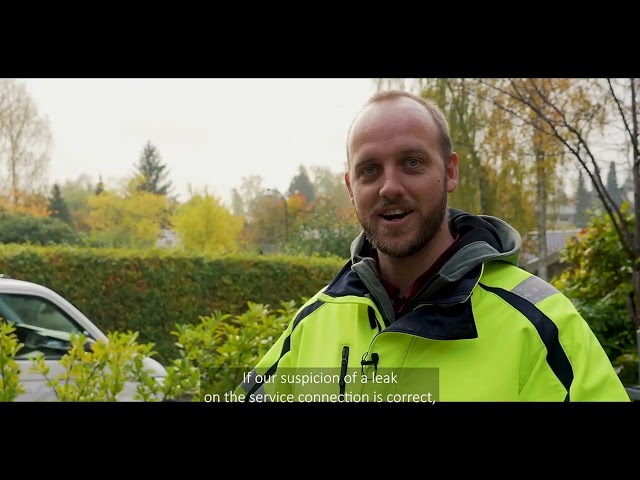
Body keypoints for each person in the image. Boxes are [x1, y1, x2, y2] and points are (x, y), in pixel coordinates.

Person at [235, 89, 630, 402]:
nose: (390, 187)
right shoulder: (314, 322)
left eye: (412, 162)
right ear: (351, 188)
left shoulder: (541, 326)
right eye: (370, 169)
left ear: (450, 171)